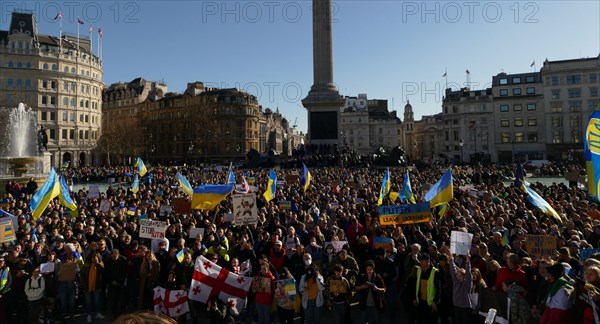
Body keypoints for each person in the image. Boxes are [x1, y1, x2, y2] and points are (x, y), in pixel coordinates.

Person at [413, 253, 442, 324]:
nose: (421, 262)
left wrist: (435, 302)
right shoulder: (419, 270)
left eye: (423, 260)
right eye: (420, 260)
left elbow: (439, 289)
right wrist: (415, 298)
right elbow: (416, 285)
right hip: (420, 302)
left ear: (428, 261)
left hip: (430, 304)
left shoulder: (435, 272)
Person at [355, 259, 386, 324]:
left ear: (373, 269)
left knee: (377, 321)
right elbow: (356, 288)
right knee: (364, 321)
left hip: (375, 304)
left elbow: (384, 289)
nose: (369, 271)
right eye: (368, 269)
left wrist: (377, 289)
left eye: (370, 269)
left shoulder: (377, 277)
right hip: (365, 304)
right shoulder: (362, 277)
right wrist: (362, 287)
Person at [446, 251, 472, 324]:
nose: (458, 277)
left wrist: (468, 261)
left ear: (464, 277)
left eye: (460, 276)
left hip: (465, 308)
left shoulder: (466, 283)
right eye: (457, 275)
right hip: (456, 306)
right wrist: (451, 259)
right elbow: (452, 269)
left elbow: (468, 274)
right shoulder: (455, 281)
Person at [299, 253, 325, 324]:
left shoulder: (318, 276)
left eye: (309, 258)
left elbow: (322, 288)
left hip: (317, 301)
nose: (307, 260)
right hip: (307, 302)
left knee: (317, 320)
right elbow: (300, 289)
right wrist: (303, 289)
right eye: (306, 259)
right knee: (308, 320)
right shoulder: (303, 277)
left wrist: (317, 277)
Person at [80, 252, 105, 322]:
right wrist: (83, 284)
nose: (93, 259)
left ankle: (97, 313)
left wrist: (98, 264)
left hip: (97, 286)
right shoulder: (86, 265)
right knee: (88, 302)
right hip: (87, 286)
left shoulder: (100, 264)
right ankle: (89, 315)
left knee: (97, 301)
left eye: (95, 257)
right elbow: (81, 275)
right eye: (92, 257)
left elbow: (103, 272)